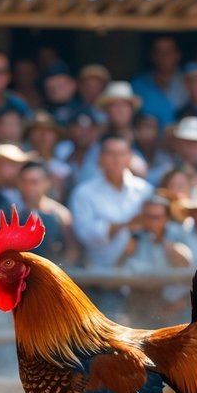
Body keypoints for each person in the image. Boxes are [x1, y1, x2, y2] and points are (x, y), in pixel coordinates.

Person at [69, 135, 153, 315]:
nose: (116, 159)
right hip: (104, 278)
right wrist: (125, 225)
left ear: (130, 157)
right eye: (110, 153)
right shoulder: (84, 192)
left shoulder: (145, 190)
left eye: (121, 153)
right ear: (100, 158)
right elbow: (85, 235)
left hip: (145, 278)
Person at [117, 194, 192, 325]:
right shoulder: (136, 236)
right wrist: (126, 252)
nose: (150, 222)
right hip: (142, 302)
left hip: (175, 305)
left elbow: (187, 266)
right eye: (147, 217)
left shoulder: (178, 233)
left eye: (155, 218)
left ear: (166, 219)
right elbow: (117, 271)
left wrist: (165, 244)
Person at [16, 160, 76, 266]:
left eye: (34, 182)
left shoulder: (61, 215)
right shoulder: (13, 213)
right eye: (24, 182)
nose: (29, 187)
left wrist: (57, 272)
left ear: (46, 183)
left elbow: (72, 250)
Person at [131, 36, 186, 128]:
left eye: (168, 52)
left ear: (177, 55)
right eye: (159, 52)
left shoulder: (189, 82)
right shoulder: (138, 85)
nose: (163, 56)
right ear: (152, 55)